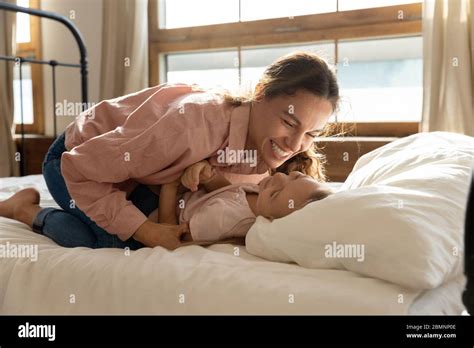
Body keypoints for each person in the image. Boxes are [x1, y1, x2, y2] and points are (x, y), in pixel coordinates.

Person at [0, 51, 340, 250]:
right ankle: (23, 210)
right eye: (289, 122)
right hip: (78, 159)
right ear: (262, 93)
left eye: (311, 133)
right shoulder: (188, 127)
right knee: (116, 244)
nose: (295, 145)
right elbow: (79, 168)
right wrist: (146, 231)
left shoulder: (274, 160)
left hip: (142, 177)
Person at [153, 160, 333, 249]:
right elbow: (227, 194)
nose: (279, 176)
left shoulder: (223, 220)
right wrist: (210, 178)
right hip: (184, 194)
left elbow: (171, 233)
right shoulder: (259, 198)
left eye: (275, 193)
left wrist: (169, 187)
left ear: (271, 222)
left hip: (154, 211)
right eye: (295, 176)